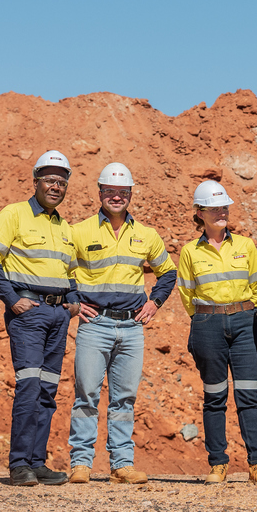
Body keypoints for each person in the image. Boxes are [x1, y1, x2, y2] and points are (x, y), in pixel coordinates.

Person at [67, 163, 177, 485]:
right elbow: (62, 270)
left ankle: (121, 465)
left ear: (130, 194)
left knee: (124, 398)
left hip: (131, 328)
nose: (117, 197)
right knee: (86, 394)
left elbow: (168, 273)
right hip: (95, 324)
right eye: (111, 191)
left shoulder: (146, 235)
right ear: (100, 193)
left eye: (123, 192)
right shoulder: (79, 231)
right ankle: (81, 464)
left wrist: (154, 302)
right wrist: (74, 303)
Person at [0, 150, 81, 486]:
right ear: (36, 181)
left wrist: (74, 299)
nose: (56, 187)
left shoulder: (64, 225)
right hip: (29, 314)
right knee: (29, 386)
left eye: (61, 182)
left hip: (58, 315)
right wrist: (11, 300)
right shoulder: (14, 214)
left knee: (48, 391)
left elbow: (71, 269)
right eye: (50, 180)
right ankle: (19, 463)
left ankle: (37, 463)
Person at [176, 180, 257, 487]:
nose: (221, 212)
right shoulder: (190, 252)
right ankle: (218, 463)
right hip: (208, 325)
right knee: (214, 397)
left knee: (248, 395)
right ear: (200, 213)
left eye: (224, 207)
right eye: (214, 208)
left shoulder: (245, 246)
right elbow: (186, 293)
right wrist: (207, 320)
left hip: (245, 322)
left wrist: (246, 313)